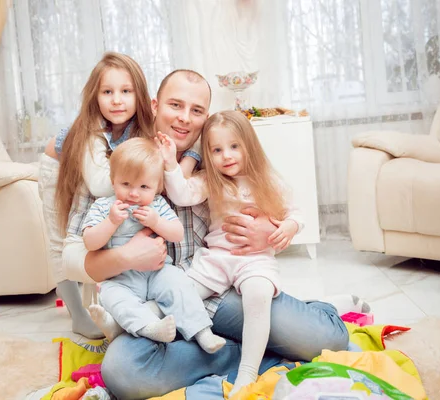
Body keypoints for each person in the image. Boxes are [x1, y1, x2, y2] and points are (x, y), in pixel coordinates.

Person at [63, 69, 365, 400]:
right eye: (175, 105)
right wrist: (126, 256)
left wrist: (270, 231)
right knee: (123, 372)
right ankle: (246, 352)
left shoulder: (215, 156)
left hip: (216, 294)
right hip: (155, 306)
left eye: (196, 111)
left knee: (329, 340)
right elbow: (74, 256)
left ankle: (284, 323)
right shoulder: (120, 160)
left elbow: (266, 199)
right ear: (154, 105)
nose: (184, 119)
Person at [39, 53, 203, 338]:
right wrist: (147, 175)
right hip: (57, 164)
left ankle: (108, 307)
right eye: (107, 92)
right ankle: (77, 314)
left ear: (140, 96)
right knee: (59, 238)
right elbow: (103, 185)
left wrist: (183, 164)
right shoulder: (91, 133)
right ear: (95, 96)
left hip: (105, 172)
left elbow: (187, 145)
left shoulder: (143, 126)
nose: (117, 100)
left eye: (126, 91)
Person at [157, 110, 303, 396]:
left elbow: (295, 211)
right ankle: (134, 319)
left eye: (235, 146)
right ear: (207, 154)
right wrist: (171, 162)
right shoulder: (210, 181)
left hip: (255, 260)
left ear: (250, 144)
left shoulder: (268, 180)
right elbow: (181, 194)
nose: (227, 155)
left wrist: (290, 226)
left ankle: (247, 373)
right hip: (217, 259)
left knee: (258, 295)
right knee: (181, 293)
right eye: (217, 150)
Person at [82, 138, 225, 353]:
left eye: (144, 187)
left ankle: (202, 332)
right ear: (113, 181)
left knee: (178, 284)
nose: (134, 193)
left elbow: (177, 233)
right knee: (110, 295)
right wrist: (110, 222)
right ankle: (148, 327)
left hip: (158, 272)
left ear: (157, 187)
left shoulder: (157, 204)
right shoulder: (104, 206)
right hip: (122, 279)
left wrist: (156, 222)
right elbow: (90, 242)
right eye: (126, 184)